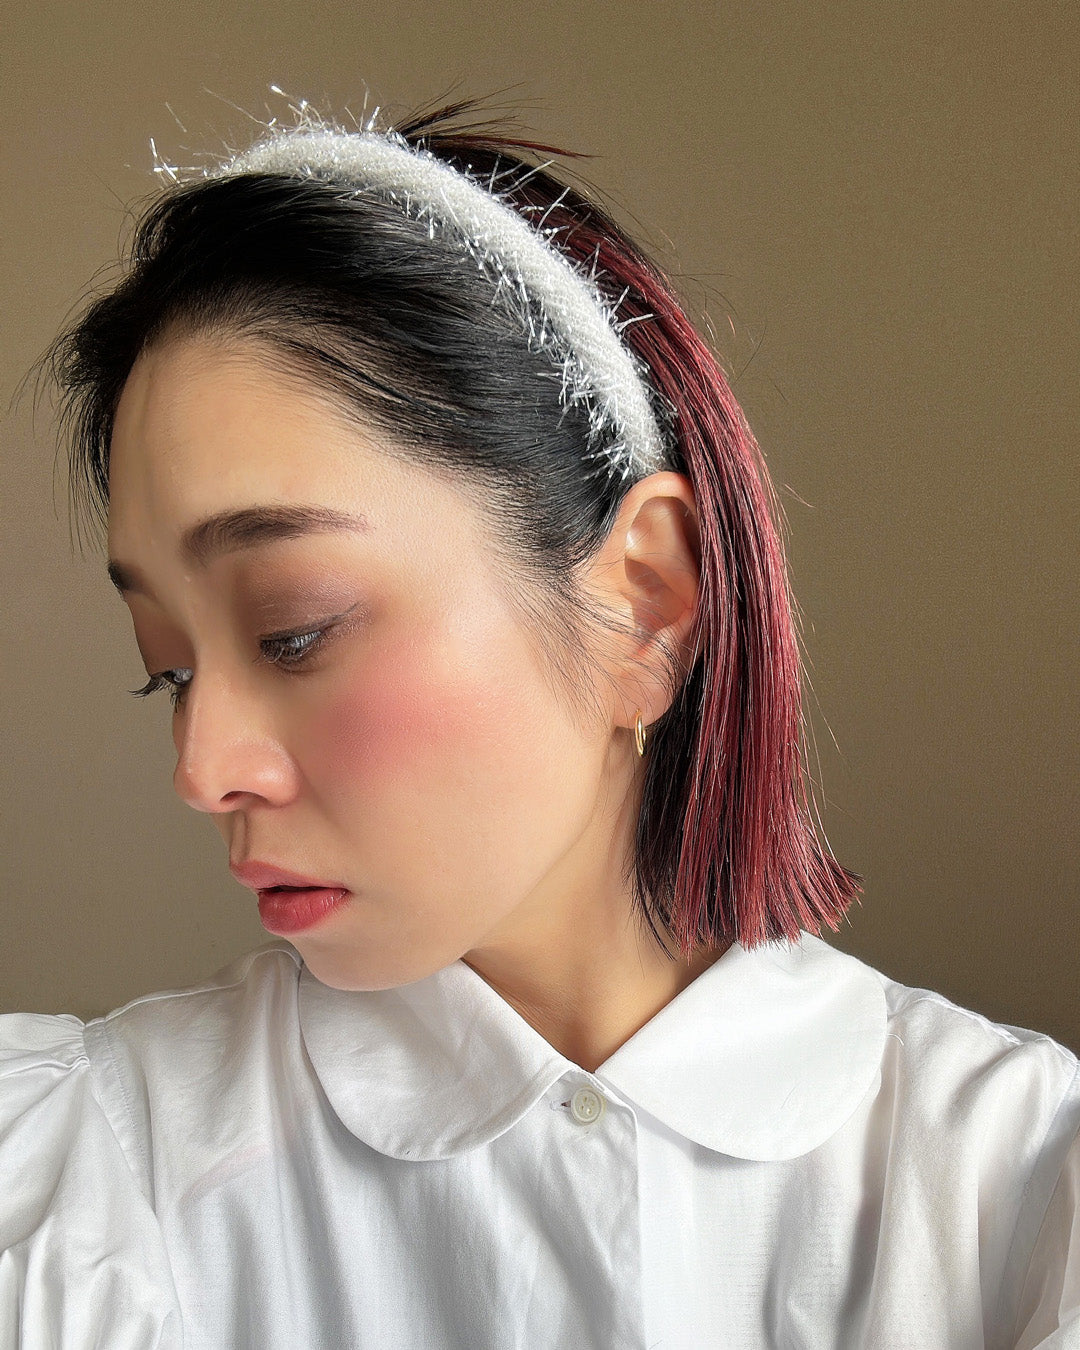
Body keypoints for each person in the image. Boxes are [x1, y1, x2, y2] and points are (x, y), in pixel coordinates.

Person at [1, 96, 1076, 1350]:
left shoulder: (1024, 1188)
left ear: (644, 601)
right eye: (170, 668)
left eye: (293, 629)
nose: (203, 770)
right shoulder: (75, 1183)